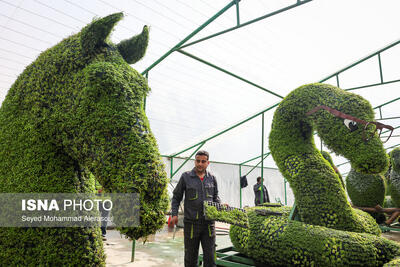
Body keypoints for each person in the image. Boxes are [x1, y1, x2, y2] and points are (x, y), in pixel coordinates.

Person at [171, 150, 222, 267]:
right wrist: (174, 214)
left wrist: (221, 206)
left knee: (210, 258)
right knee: (190, 258)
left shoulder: (212, 178)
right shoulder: (186, 177)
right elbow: (176, 197)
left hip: (209, 224)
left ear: (208, 163)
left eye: (203, 161)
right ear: (195, 161)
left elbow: (215, 197)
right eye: (198, 161)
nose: (200, 164)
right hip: (191, 224)